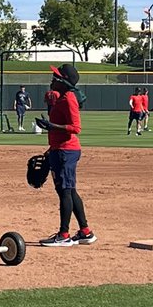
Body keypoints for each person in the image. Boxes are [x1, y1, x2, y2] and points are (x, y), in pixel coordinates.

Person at [35, 63, 95, 247]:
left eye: (56, 77)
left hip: (66, 151)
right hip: (59, 149)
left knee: (65, 191)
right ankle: (85, 232)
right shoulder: (60, 98)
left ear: (63, 82)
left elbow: (76, 128)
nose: (52, 80)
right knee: (69, 190)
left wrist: (52, 126)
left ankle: (64, 235)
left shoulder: (69, 98)